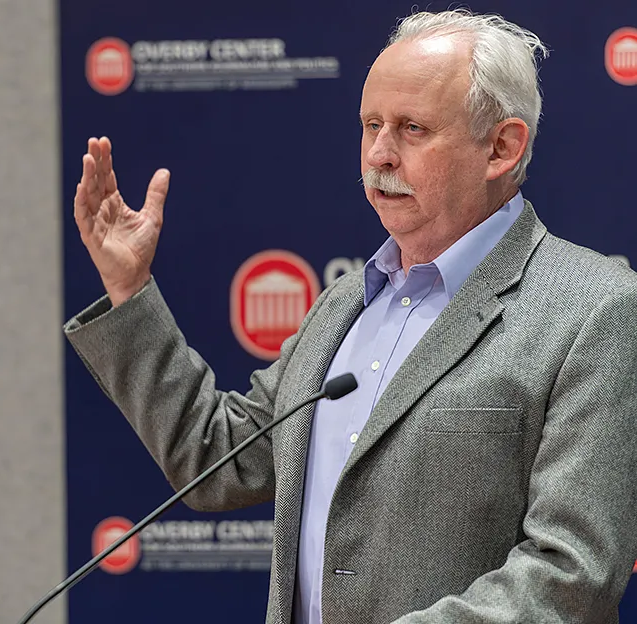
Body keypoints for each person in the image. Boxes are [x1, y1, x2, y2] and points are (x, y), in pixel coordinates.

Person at [65, 9, 637, 624]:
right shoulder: (344, 301)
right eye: (371, 126)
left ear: (502, 147)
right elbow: (216, 457)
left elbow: (571, 574)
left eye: (413, 129)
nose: (380, 155)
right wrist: (130, 289)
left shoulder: (595, 309)